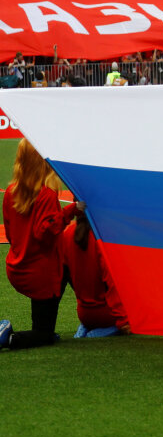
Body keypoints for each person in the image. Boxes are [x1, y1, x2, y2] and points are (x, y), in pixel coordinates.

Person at [1, 139, 79, 351]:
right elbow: (45, 232)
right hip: (41, 273)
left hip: (18, 267)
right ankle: (8, 338)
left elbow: (10, 232)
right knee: (44, 334)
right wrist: (72, 211)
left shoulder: (10, 192)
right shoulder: (46, 194)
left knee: (44, 326)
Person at [58, 212, 128, 337]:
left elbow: (63, 276)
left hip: (84, 312)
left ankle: (85, 328)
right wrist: (124, 321)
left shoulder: (68, 233)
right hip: (107, 314)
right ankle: (97, 333)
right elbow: (112, 283)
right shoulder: (104, 237)